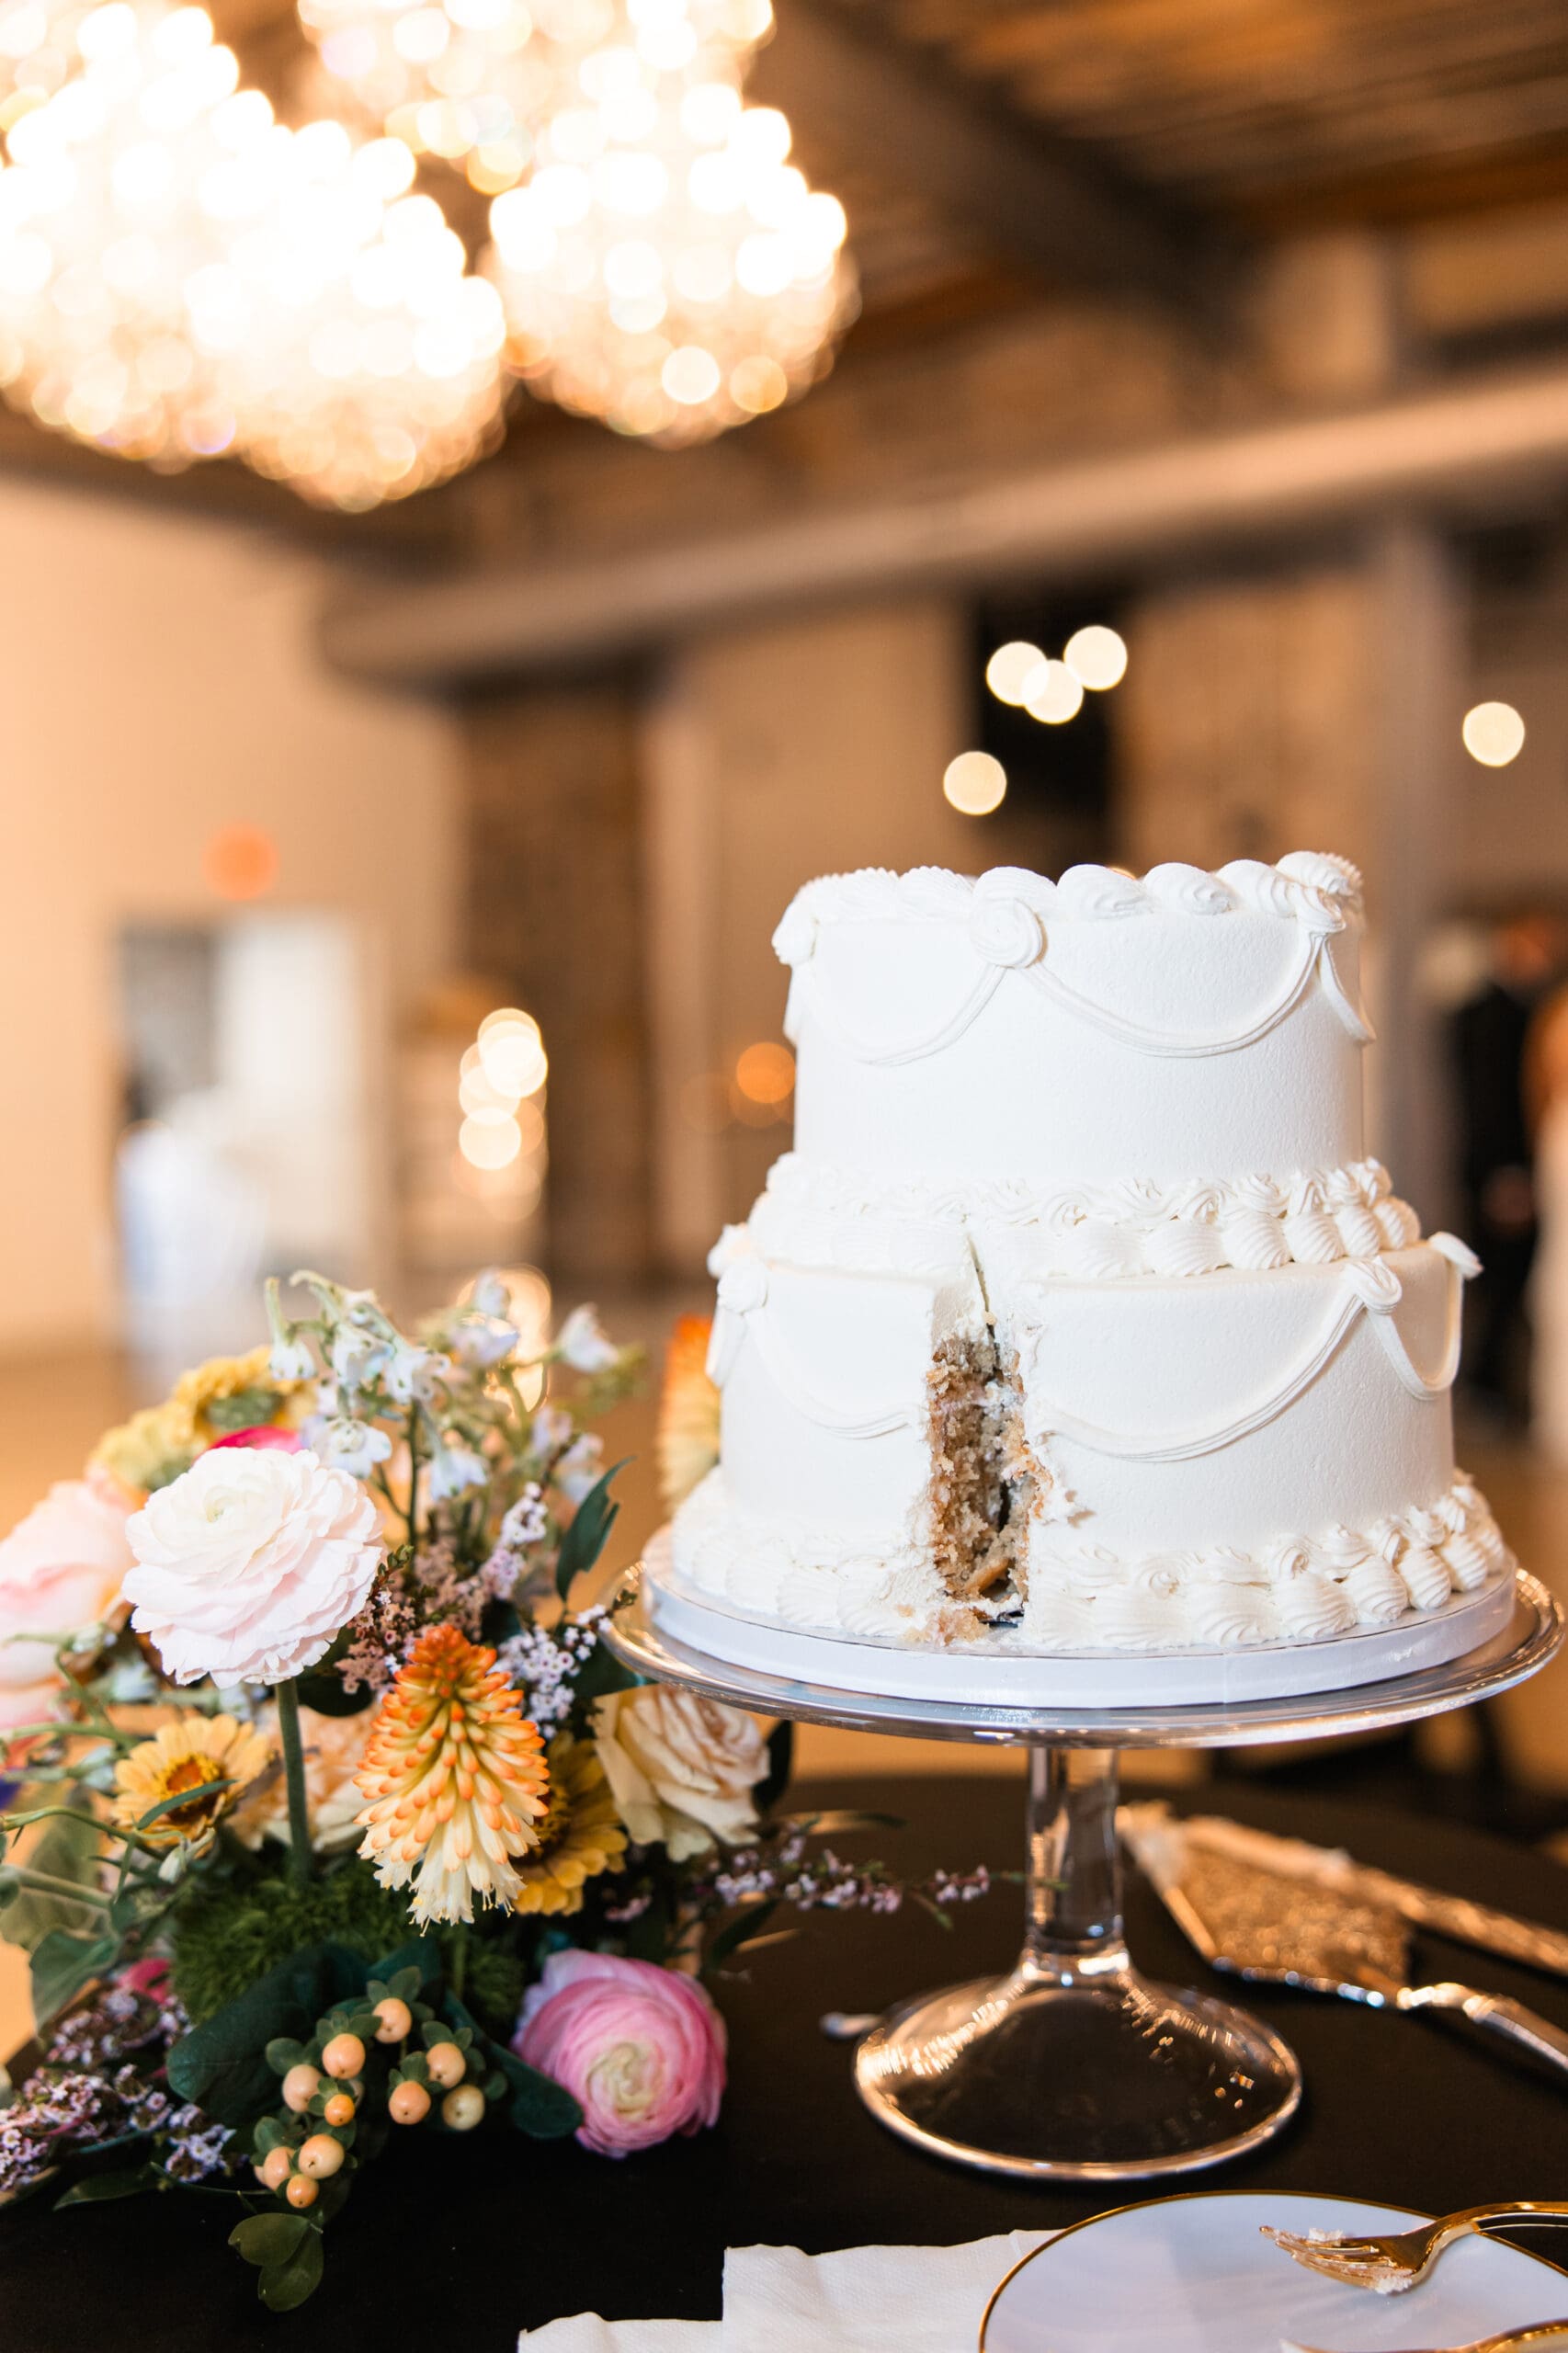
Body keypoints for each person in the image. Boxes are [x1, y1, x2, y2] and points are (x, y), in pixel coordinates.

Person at [1449, 910, 1568, 1427]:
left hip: (1532, 1159)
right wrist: (1505, 1174)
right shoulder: (1484, 1013)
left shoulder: (1532, 1007)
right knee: (1500, 1283)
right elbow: (1489, 1106)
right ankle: (1487, 1388)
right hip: (1505, 1169)